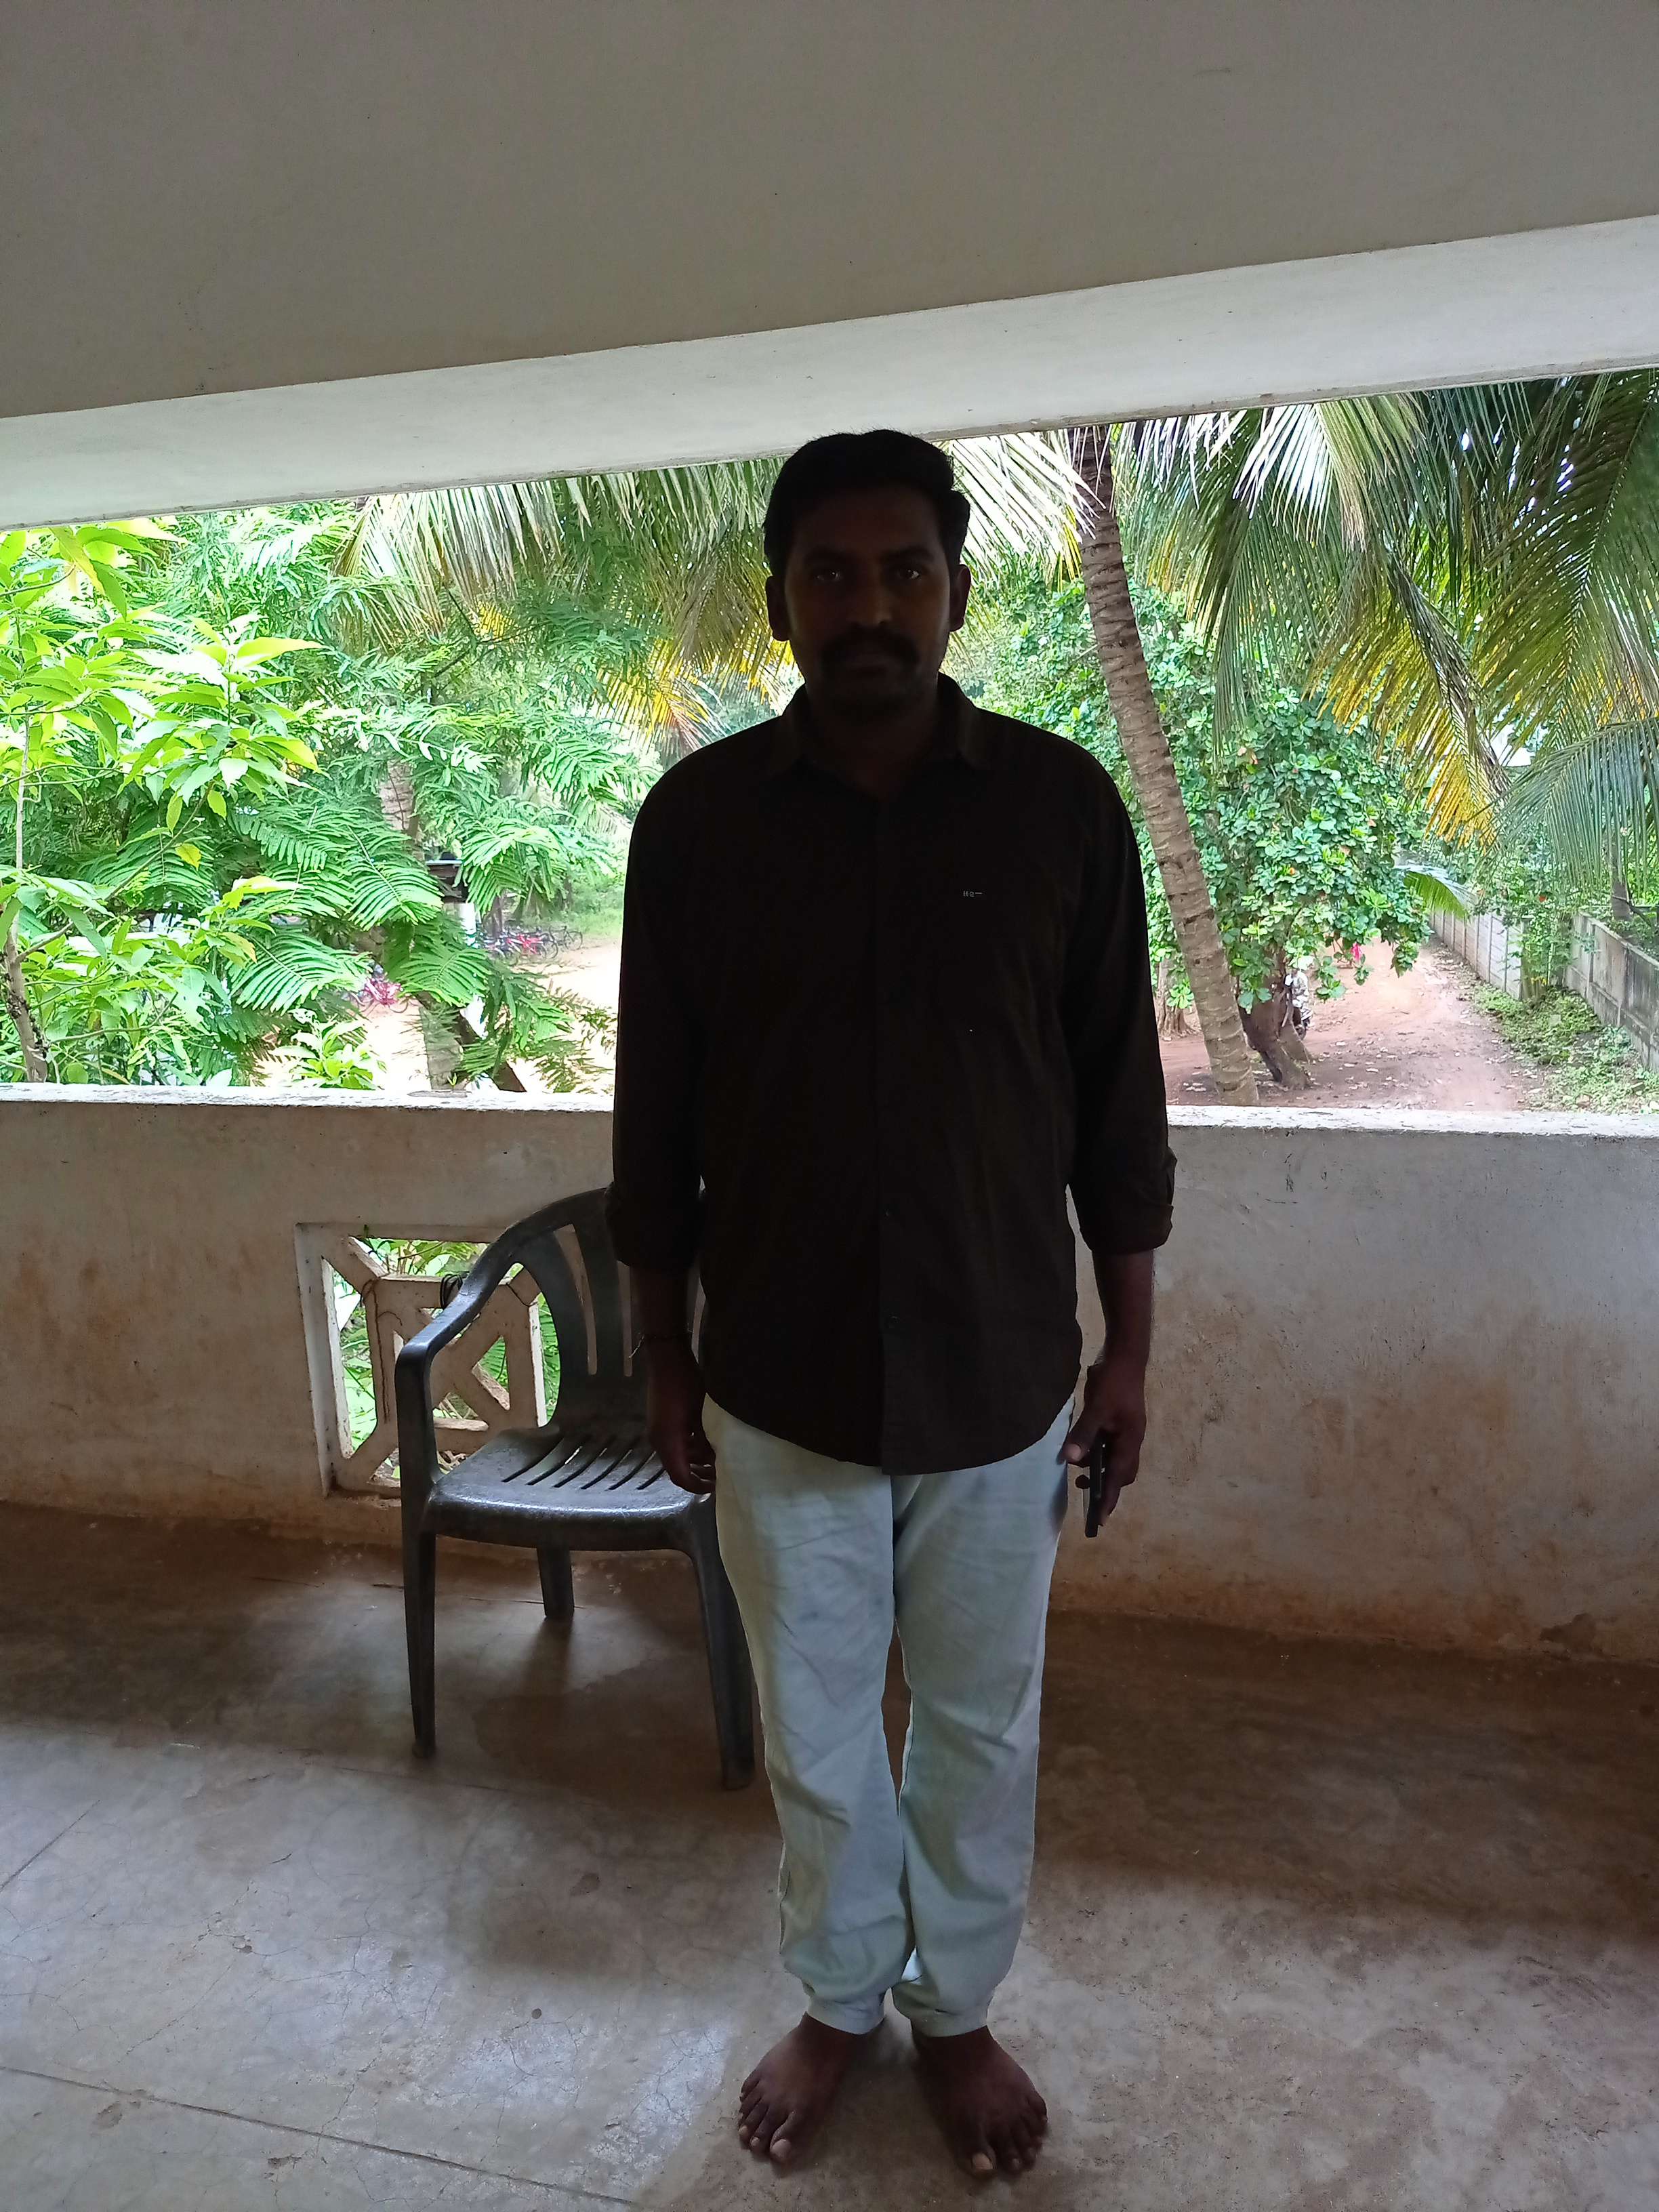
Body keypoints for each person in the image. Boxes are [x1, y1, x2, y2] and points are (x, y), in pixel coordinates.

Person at [606, 430, 1174, 2176]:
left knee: (982, 1728)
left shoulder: (1061, 810)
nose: (871, 607)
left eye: (904, 571)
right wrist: (665, 1350)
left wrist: (1131, 1350)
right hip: (783, 1383)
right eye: (833, 575)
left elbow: (1117, 1107)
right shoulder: (697, 827)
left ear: (957, 593)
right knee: (821, 1726)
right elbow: (656, 1117)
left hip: (1001, 1377)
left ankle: (960, 2010)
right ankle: (842, 1998)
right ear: (781, 603)